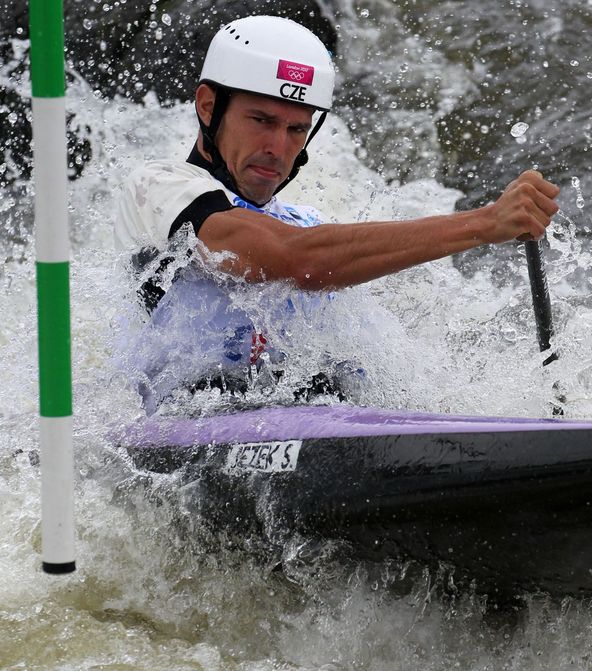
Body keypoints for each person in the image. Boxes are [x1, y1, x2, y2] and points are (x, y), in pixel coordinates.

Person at [115, 15, 560, 413]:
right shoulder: (157, 189)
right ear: (209, 106)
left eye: (296, 129)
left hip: (282, 416)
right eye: (261, 120)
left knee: (330, 384)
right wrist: (483, 224)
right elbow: (294, 260)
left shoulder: (303, 223)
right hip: (174, 425)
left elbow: (383, 373)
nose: (278, 148)